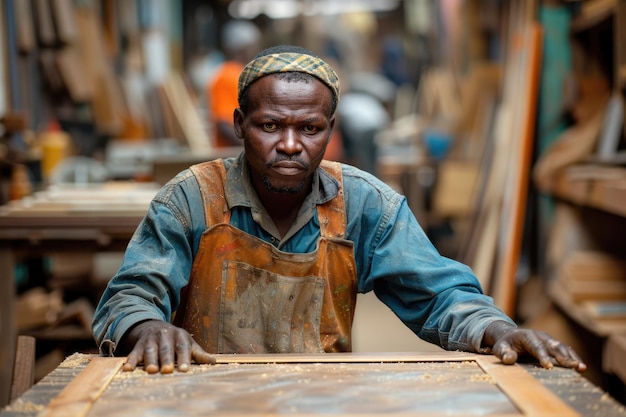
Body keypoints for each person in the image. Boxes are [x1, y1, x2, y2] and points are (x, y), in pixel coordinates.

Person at [92, 45, 586, 375]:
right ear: (239, 125)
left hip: (320, 399)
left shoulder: (365, 204)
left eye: (309, 129)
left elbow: (438, 293)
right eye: (269, 126)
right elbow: (130, 295)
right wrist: (147, 327)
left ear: (331, 129)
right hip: (198, 397)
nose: (289, 145)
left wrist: (497, 329)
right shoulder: (191, 198)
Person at [206, 20, 261, 147]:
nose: (256, 50)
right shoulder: (226, 76)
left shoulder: (241, 73)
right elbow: (223, 124)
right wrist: (251, 148)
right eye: (254, 45)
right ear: (242, 48)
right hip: (231, 155)